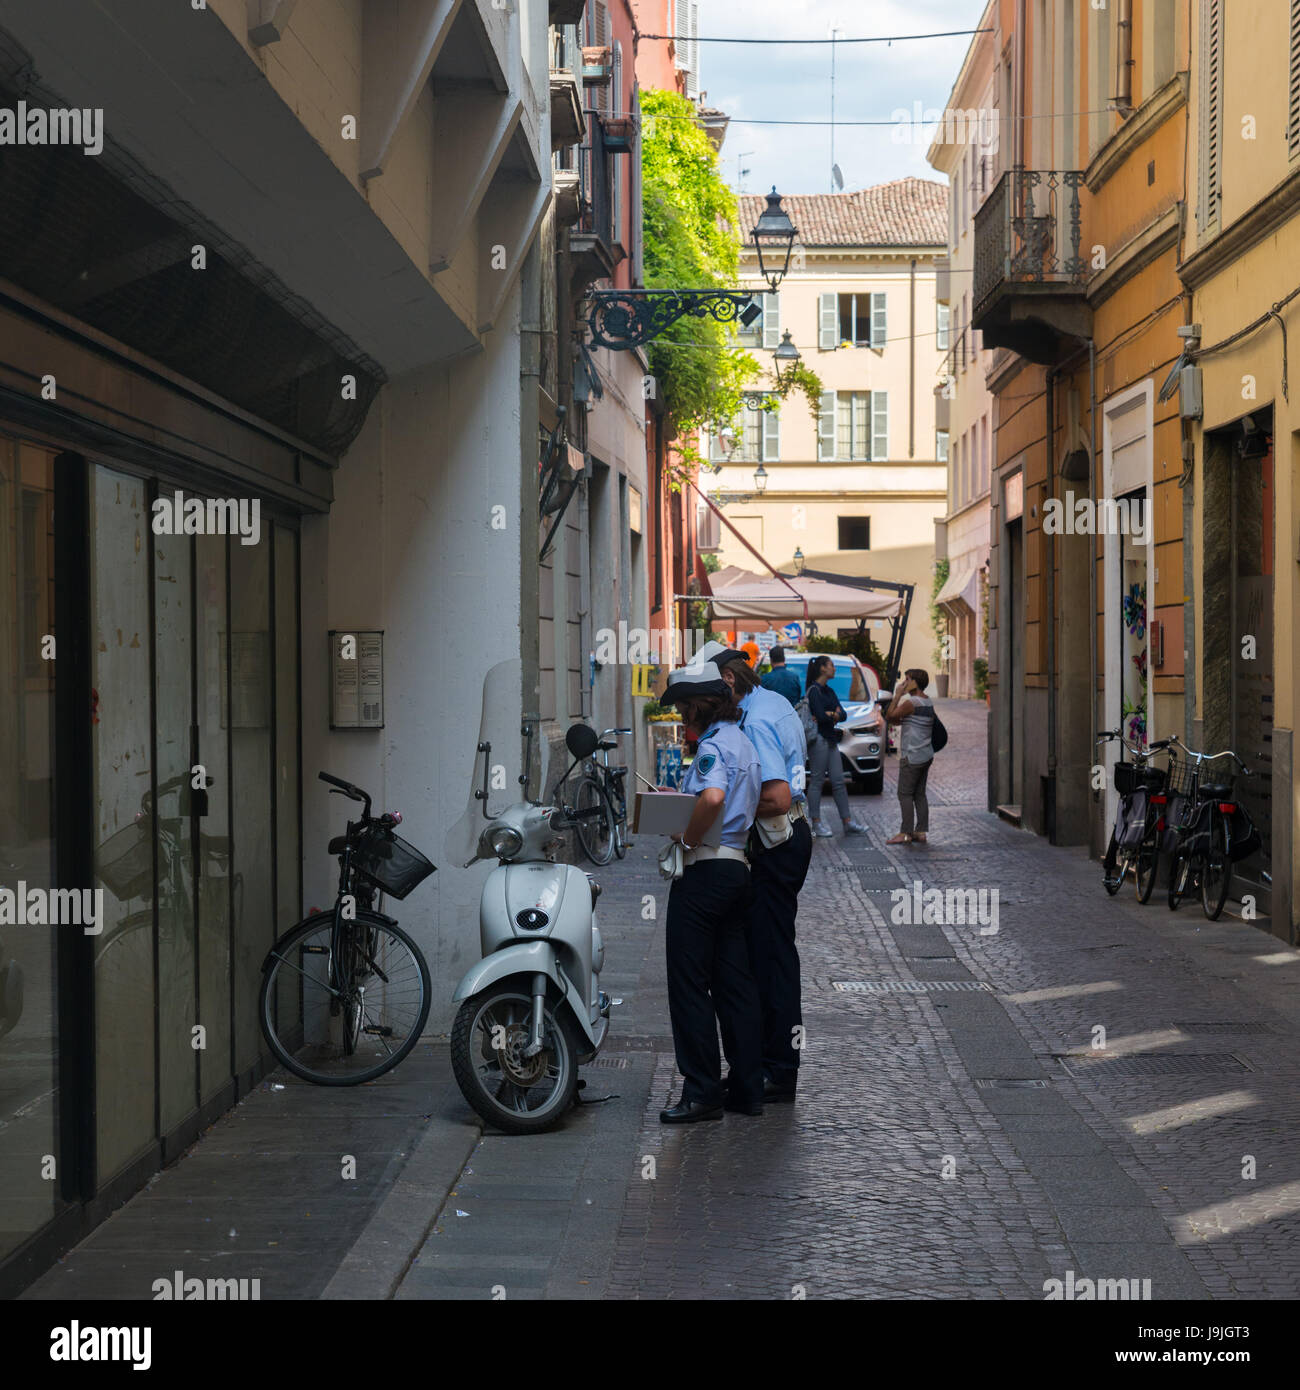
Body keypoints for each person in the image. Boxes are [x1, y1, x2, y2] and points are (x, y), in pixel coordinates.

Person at [691, 639, 812, 1102]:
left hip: (775, 841)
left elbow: (777, 797)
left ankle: (777, 1070)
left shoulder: (754, 719)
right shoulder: (773, 701)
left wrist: (707, 809)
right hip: (786, 838)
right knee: (770, 952)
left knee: (771, 957)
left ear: (726, 682)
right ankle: (768, 1065)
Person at [657, 660, 765, 1123]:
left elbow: (714, 797)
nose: (682, 719)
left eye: (684, 710)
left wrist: (686, 834)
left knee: (689, 985)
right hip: (737, 870)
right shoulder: (743, 742)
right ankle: (745, 1088)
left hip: (705, 873)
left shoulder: (713, 747)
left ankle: (701, 1091)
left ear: (700, 707)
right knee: (734, 985)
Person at [805, 655, 868, 838]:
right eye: (831, 665)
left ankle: (847, 822)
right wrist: (833, 714)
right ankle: (816, 822)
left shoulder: (829, 691)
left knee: (838, 782)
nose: (834, 668)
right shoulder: (814, 691)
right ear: (822, 668)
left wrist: (830, 714)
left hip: (831, 740)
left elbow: (844, 715)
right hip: (819, 740)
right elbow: (821, 716)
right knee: (817, 781)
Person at [885, 668, 934, 844]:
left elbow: (890, 715)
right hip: (926, 754)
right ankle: (920, 831)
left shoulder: (911, 702)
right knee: (919, 794)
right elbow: (900, 720)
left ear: (914, 682)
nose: (904, 683)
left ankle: (905, 832)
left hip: (912, 755)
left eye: (907, 680)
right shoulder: (927, 702)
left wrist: (897, 695)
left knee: (904, 794)